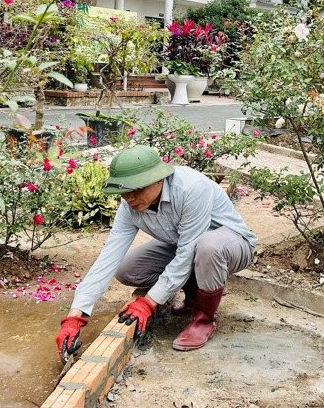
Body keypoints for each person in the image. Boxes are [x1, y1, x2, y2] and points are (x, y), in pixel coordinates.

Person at [56, 145, 258, 355]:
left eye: (136, 189)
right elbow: (109, 256)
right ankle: (191, 299)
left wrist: (149, 302)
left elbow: (188, 251)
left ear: (158, 179)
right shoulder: (129, 207)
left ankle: (204, 319)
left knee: (207, 246)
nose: (129, 198)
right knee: (127, 269)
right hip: (187, 246)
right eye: (123, 192)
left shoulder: (191, 188)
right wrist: (75, 314)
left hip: (232, 245)